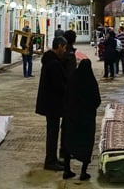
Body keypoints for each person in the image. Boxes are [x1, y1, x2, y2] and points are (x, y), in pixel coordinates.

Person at [61, 58, 101, 181]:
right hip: (86, 119)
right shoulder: (91, 81)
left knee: (68, 142)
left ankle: (67, 169)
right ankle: (83, 172)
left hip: (71, 117)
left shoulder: (73, 78)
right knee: (86, 144)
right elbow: (97, 100)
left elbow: (66, 95)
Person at [35, 36, 69, 171]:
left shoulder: (51, 61)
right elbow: (58, 85)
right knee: (52, 133)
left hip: (50, 103)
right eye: (64, 48)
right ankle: (50, 161)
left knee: (53, 132)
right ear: (59, 46)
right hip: (52, 104)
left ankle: (53, 159)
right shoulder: (54, 64)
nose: (65, 50)